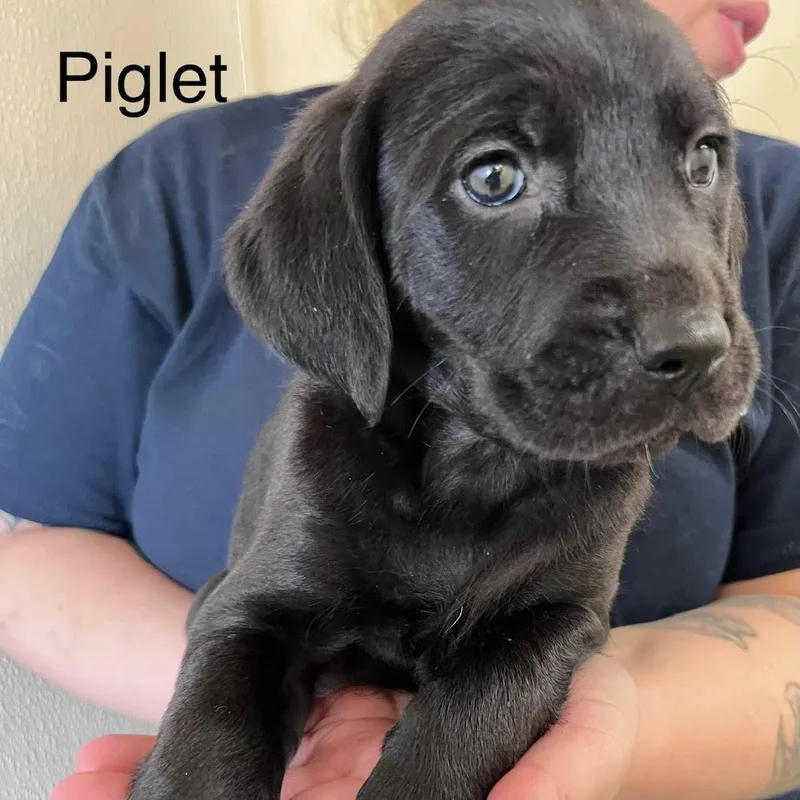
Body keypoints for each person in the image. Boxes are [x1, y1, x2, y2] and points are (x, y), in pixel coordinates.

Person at [0, 0, 798, 798]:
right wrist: (265, 719)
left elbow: (554, 621)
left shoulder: (782, 203)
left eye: (698, 163)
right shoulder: (177, 185)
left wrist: (622, 735)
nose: (689, 325)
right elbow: (221, 610)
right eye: (496, 175)